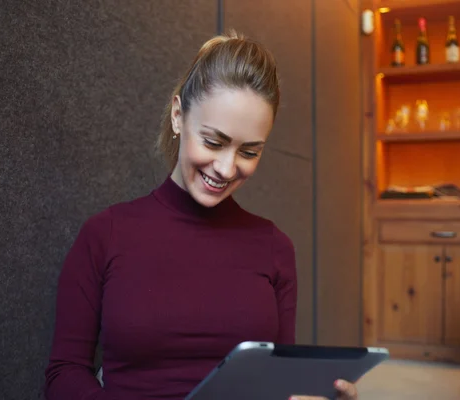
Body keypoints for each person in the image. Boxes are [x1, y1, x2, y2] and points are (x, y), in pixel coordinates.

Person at [44, 31, 359, 400]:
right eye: (213, 142)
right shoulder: (105, 235)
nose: (226, 168)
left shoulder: (275, 248)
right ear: (178, 116)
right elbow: (63, 374)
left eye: (249, 152)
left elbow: (278, 382)